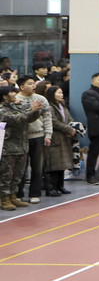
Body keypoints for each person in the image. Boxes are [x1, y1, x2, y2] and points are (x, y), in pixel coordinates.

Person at [0, 84, 46, 210]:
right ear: (4, 96)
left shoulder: (17, 106)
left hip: (21, 146)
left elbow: (29, 118)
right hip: (7, 148)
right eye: (11, 92)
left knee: (18, 175)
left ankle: (13, 196)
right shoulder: (2, 110)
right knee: (6, 176)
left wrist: (36, 110)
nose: (14, 94)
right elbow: (18, 118)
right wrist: (31, 110)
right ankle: (4, 199)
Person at [14, 75, 53, 203]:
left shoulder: (41, 99)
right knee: (20, 168)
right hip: (21, 138)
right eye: (30, 83)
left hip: (38, 136)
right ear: (21, 86)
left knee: (38, 166)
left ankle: (34, 194)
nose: (33, 86)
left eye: (33, 83)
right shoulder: (15, 100)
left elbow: (47, 118)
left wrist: (48, 135)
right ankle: (18, 194)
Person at [43, 87, 79, 196]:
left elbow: (69, 118)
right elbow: (53, 121)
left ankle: (60, 186)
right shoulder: (50, 107)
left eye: (62, 92)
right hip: (55, 137)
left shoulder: (62, 105)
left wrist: (73, 127)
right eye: (59, 92)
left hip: (65, 137)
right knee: (53, 165)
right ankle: (51, 188)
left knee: (62, 164)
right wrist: (68, 129)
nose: (61, 94)